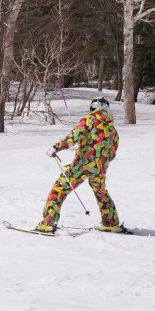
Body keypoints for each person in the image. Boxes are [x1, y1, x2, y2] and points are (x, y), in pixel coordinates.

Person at [36, 97, 124, 233]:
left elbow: (73, 137)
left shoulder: (88, 121)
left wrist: (56, 148)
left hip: (82, 165)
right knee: (101, 193)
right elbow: (112, 152)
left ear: (92, 108)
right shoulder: (112, 129)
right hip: (99, 168)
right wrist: (100, 160)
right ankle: (110, 223)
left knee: (59, 189)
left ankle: (48, 223)